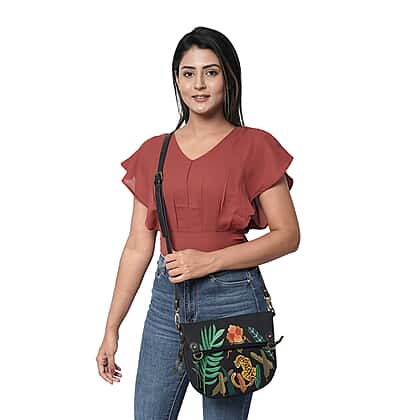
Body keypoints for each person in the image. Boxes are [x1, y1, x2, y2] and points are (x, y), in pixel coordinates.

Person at [96, 26, 300, 420]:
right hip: (167, 301)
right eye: (188, 73)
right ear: (176, 79)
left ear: (229, 77)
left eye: (211, 72)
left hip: (232, 300)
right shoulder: (154, 152)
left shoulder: (255, 145)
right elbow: (137, 246)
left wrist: (209, 261)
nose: (199, 84)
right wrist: (111, 327)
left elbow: (288, 235)